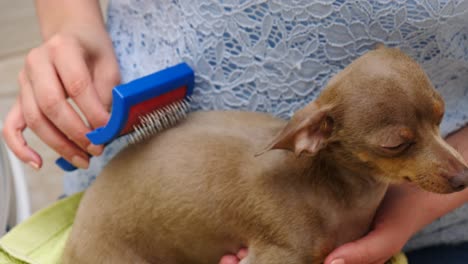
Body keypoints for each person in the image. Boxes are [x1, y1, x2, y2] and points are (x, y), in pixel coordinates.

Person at [2, 1, 468, 263]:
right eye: (397, 143)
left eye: (436, 116)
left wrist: (407, 214)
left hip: (438, 236)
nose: (452, 168)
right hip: (122, 197)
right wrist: (71, 25)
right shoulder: (300, 228)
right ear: (312, 136)